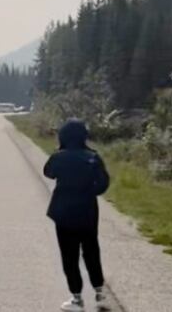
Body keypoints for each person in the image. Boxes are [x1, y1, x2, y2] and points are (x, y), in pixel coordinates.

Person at [44, 119, 110, 312]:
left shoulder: (59, 157)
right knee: (91, 250)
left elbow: (48, 173)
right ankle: (99, 291)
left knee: (69, 255)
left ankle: (77, 298)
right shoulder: (93, 157)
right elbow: (104, 182)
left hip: (64, 211)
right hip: (87, 210)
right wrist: (90, 191)